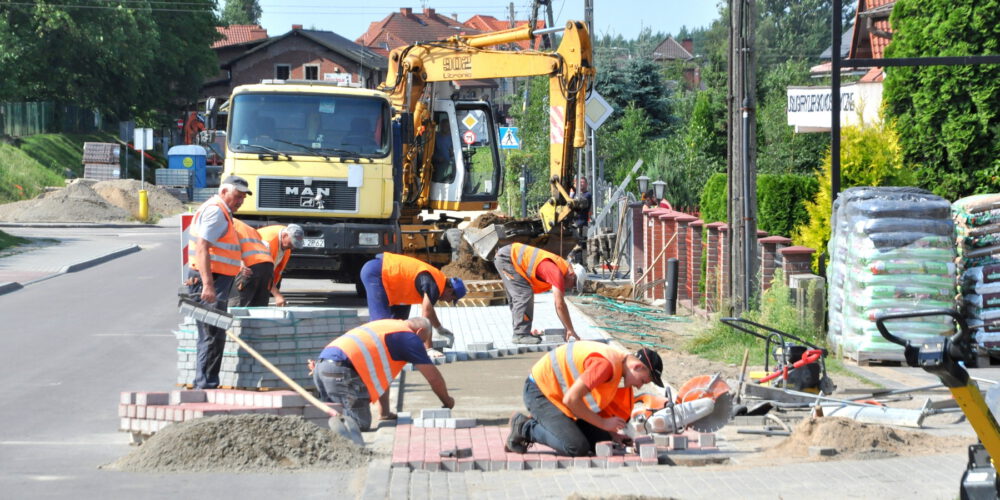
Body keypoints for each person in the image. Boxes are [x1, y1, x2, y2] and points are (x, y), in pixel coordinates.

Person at [505, 342, 664, 457]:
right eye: (643, 381)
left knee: (603, 440)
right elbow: (571, 399)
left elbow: (583, 401)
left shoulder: (616, 364)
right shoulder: (605, 365)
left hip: (561, 398)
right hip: (542, 393)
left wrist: (611, 434)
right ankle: (525, 427)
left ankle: (553, 424)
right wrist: (603, 423)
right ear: (637, 367)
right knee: (576, 447)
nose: (639, 386)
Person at [312, 317, 455, 430]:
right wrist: (447, 401)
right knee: (359, 424)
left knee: (329, 416)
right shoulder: (409, 338)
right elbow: (433, 377)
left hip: (321, 366)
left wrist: (384, 413)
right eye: (422, 341)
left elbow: (382, 377)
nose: (421, 345)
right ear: (419, 331)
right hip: (341, 370)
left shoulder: (389, 325)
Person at [186, 175, 251, 389]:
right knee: (212, 334)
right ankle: (205, 385)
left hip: (212, 279)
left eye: (243, 198)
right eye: (237, 196)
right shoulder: (216, 212)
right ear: (224, 192)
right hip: (210, 281)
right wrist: (208, 285)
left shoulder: (220, 210)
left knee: (211, 333)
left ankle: (205, 383)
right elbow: (203, 247)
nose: (240, 201)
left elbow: (218, 249)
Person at [359, 252, 466, 347]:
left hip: (391, 282)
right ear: (450, 290)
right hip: (378, 272)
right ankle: (362, 350)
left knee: (398, 326)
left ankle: (394, 354)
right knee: (381, 324)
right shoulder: (435, 284)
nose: (448, 301)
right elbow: (426, 313)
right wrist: (428, 347)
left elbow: (429, 311)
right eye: (452, 299)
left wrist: (439, 329)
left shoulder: (437, 283)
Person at [493, 243, 584, 344]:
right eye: (574, 284)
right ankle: (520, 334)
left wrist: (567, 327)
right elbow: (560, 305)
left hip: (508, 258)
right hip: (507, 259)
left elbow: (559, 305)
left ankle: (521, 332)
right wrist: (570, 328)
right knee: (524, 294)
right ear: (572, 275)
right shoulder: (556, 272)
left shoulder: (559, 269)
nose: (571, 287)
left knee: (519, 295)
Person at [257, 224, 305, 307]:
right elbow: (264, 273)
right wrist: (277, 295)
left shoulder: (285, 242)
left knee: (260, 305)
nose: (293, 247)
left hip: (259, 276)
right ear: (284, 236)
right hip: (246, 273)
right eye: (292, 243)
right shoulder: (267, 243)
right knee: (243, 306)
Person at [231, 219, 275, 307]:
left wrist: (240, 263)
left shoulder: (226, 222)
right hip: (267, 265)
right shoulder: (247, 228)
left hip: (249, 266)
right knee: (259, 306)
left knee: (239, 305)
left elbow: (230, 245)